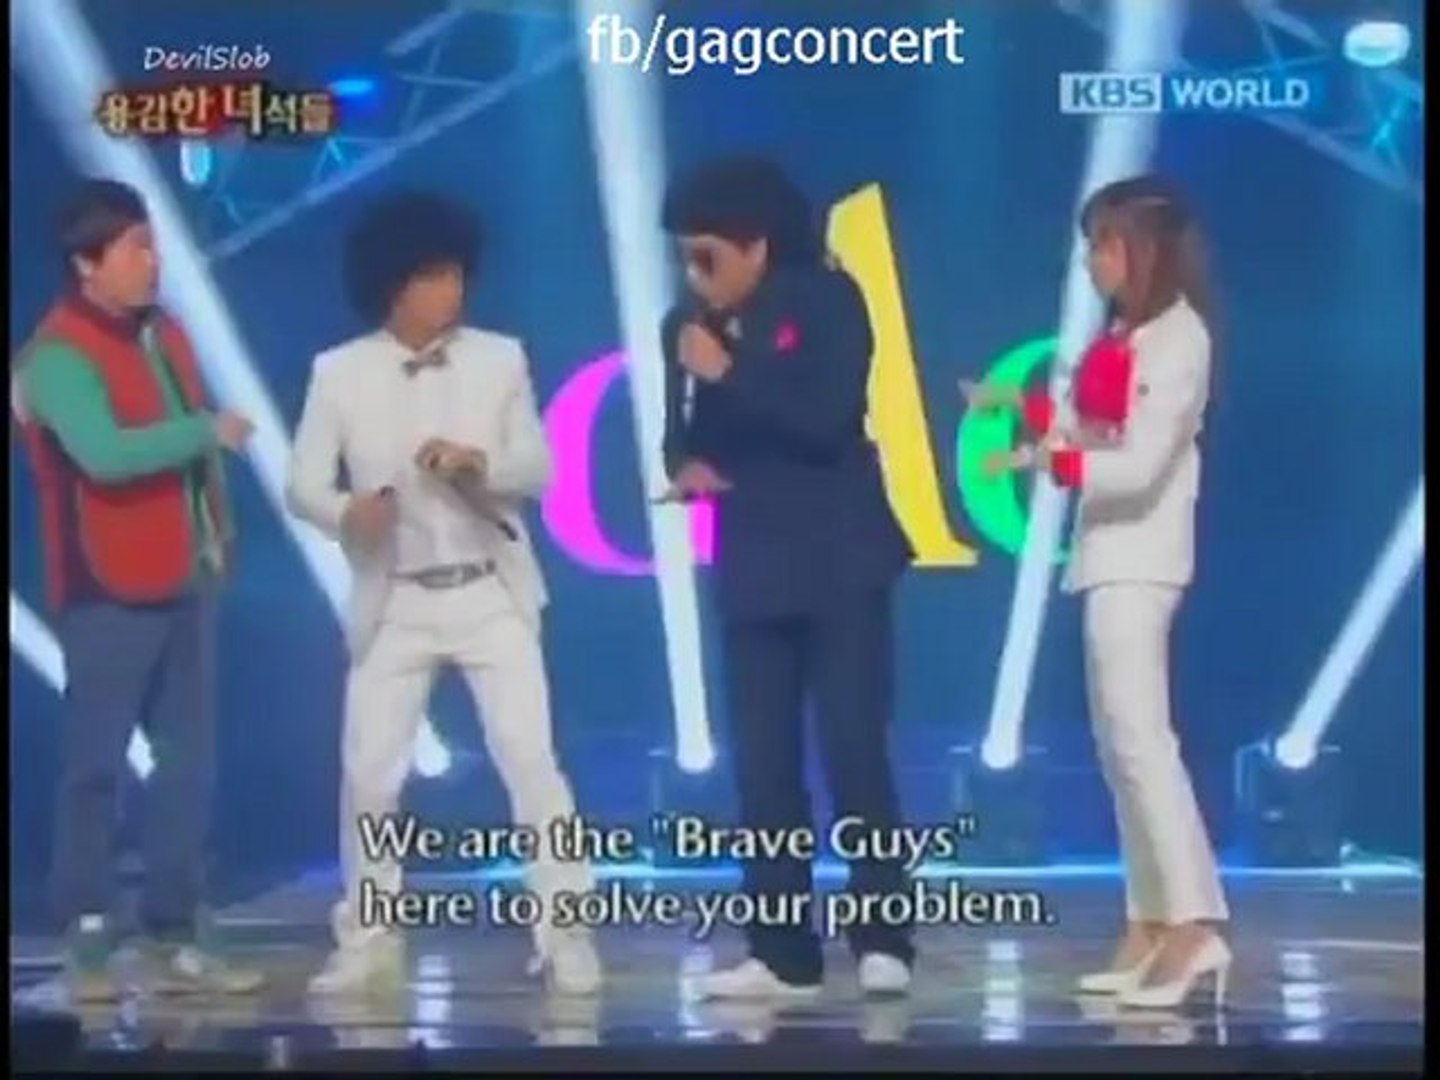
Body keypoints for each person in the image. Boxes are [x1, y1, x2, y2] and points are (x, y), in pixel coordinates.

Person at [286, 191, 600, 996]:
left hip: (489, 592)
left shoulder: (501, 359)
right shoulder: (338, 372)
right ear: (393, 284)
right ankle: (369, 939)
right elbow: (302, 484)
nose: (452, 289)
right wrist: (347, 512)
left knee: (530, 758)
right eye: (433, 275)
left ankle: (565, 932)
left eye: (458, 273)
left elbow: (539, 468)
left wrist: (478, 465)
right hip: (395, 601)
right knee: (370, 775)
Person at [966, 175, 1229, 1009]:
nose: (1091, 260)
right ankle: (1148, 921)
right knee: (1120, 749)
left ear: (1144, 250)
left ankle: (1194, 924)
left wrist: (1059, 457)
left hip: (1143, 555)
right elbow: (1091, 430)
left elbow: (1138, 463)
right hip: (1105, 553)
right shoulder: (1125, 336)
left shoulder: (1180, 340)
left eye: (1104, 244)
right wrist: (1027, 421)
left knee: (1144, 743)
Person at [658, 157, 916, 999]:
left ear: (756, 245)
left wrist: (730, 372)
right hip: (753, 560)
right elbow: (680, 432)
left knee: (853, 749)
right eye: (684, 258)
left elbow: (826, 416)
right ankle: (781, 951)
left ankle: (883, 936)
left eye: (706, 256)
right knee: (763, 766)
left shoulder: (828, 300)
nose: (694, 275)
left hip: (839, 556)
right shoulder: (685, 326)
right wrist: (686, 463)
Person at [12, 178, 261, 1002]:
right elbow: (106, 454)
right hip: (105, 588)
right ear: (88, 264)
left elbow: (192, 458)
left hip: (185, 576)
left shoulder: (167, 334)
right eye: (135, 248)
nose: (152, 261)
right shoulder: (55, 356)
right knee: (96, 764)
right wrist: (206, 431)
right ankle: (86, 921)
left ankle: (175, 924)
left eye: (152, 245)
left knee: (189, 762)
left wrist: (217, 530)